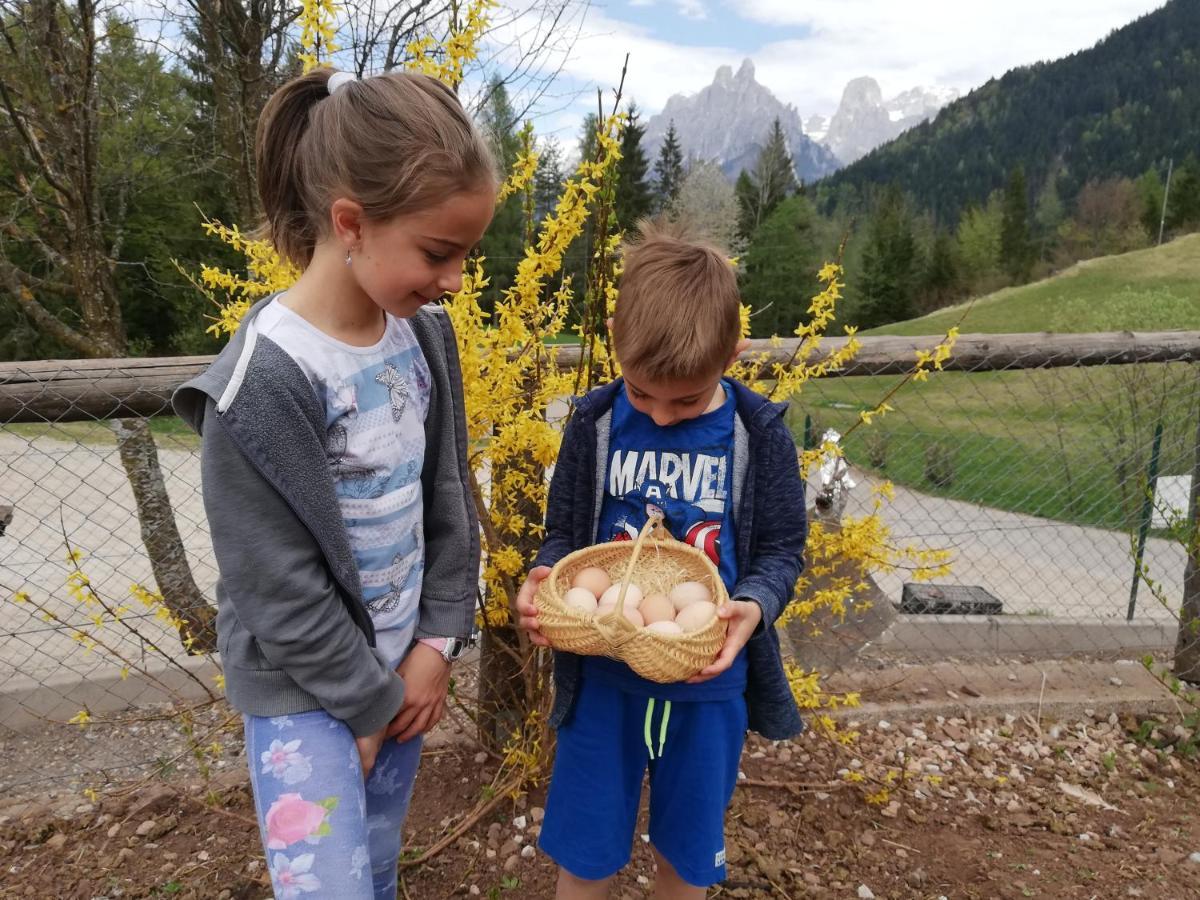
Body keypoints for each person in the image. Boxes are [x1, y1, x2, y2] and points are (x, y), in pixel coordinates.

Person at [173, 67, 496, 899]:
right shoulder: (265, 382)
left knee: (376, 864)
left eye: (465, 254)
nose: (456, 281)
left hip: (402, 675)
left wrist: (436, 644)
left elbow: (446, 497)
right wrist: (366, 701)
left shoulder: (422, 338)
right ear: (350, 223)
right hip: (308, 690)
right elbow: (271, 582)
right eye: (439, 252)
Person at [515, 221, 809, 899]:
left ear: (732, 356)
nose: (662, 415)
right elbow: (562, 537)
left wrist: (753, 607)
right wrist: (546, 584)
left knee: (685, 855)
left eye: (686, 399)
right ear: (617, 335)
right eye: (643, 393)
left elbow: (782, 551)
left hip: (705, 687)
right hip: (602, 683)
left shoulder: (757, 436)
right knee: (584, 853)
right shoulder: (595, 424)